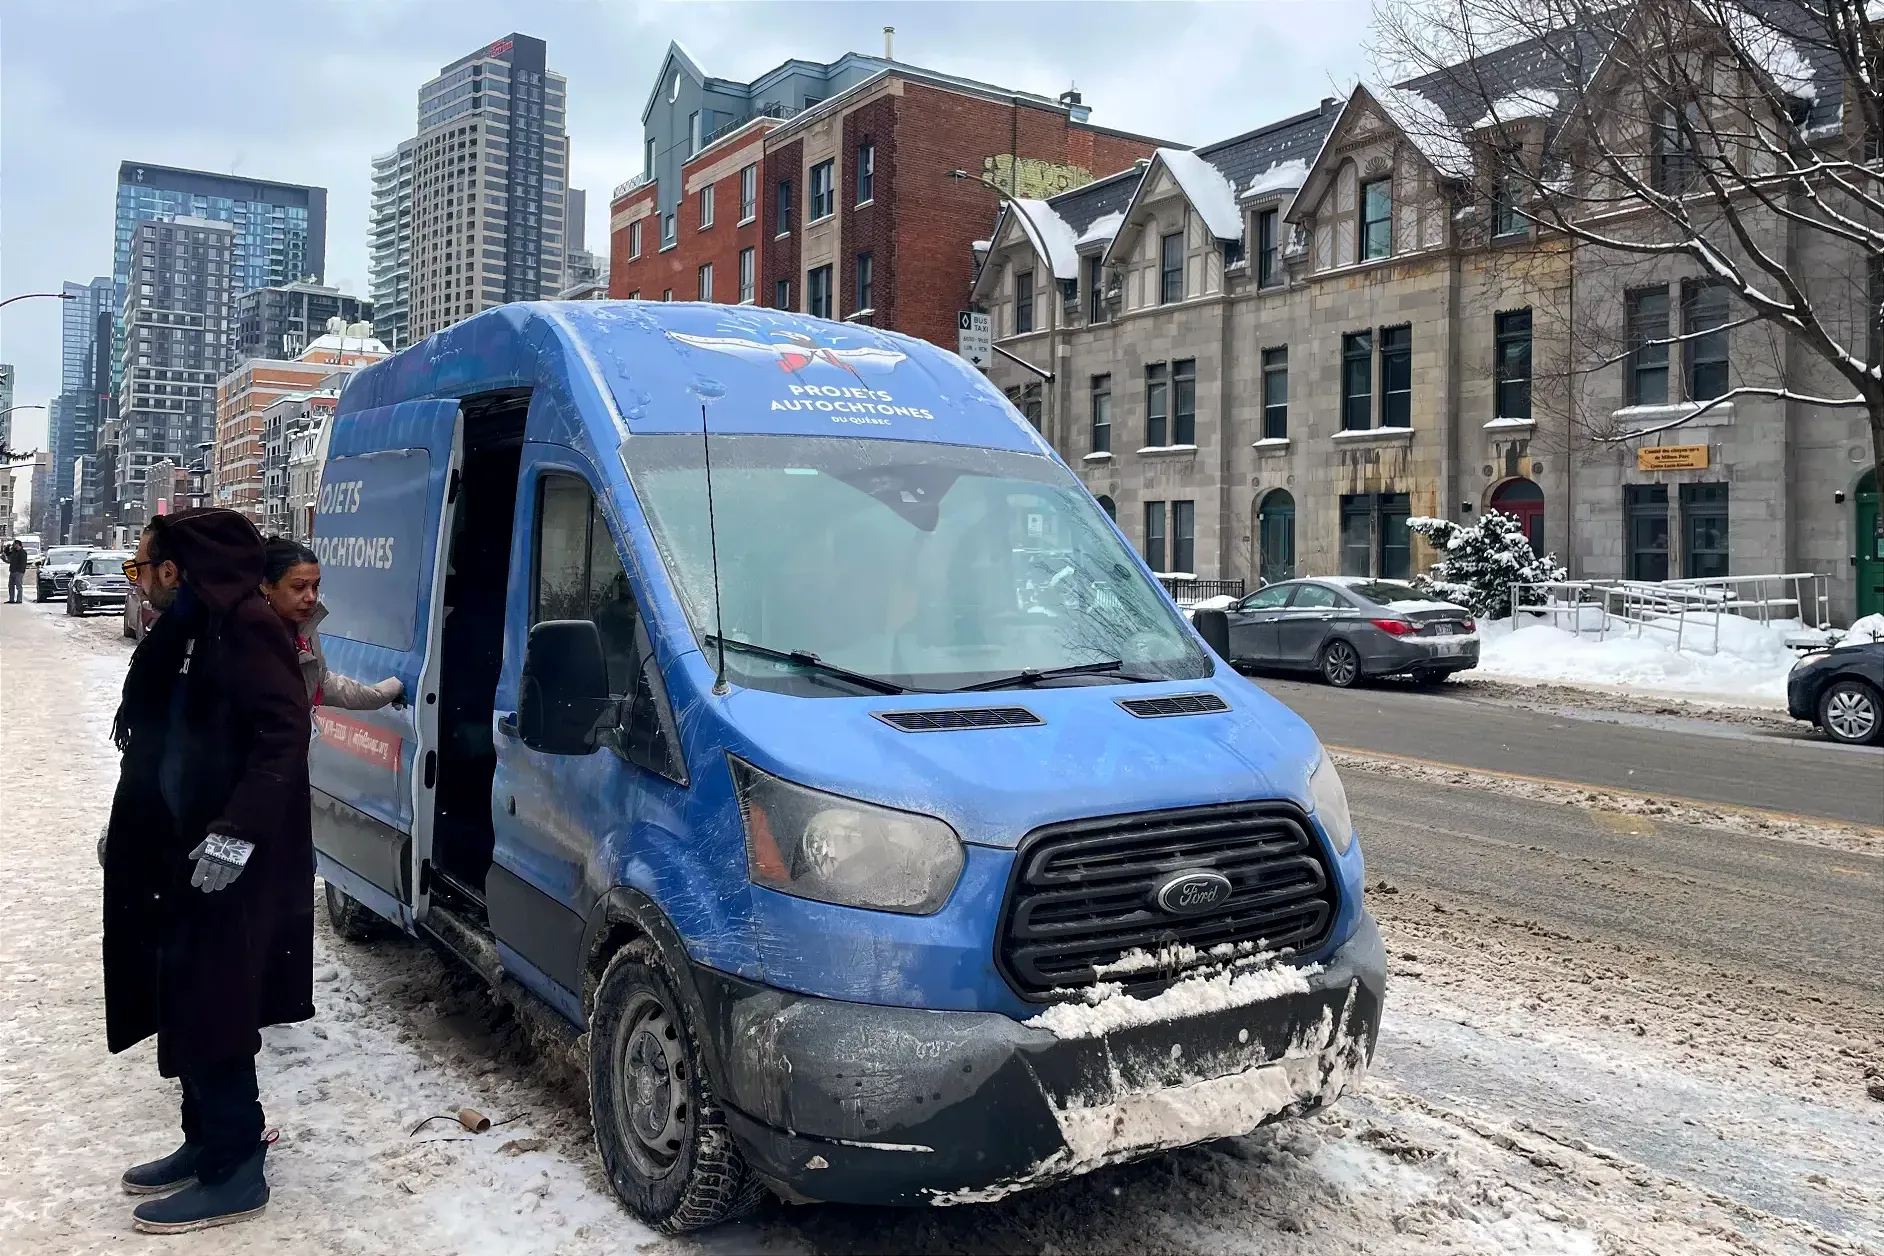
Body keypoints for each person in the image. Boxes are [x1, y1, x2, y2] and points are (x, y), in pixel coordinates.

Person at [102, 508, 313, 1233]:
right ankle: (203, 1140)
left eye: (140, 567)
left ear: (172, 571)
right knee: (184, 997)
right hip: (173, 848)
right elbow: (163, 741)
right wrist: (127, 825)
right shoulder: (188, 630)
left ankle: (236, 1166)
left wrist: (235, 835)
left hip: (227, 861)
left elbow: (284, 736)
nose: (138, 581)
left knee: (216, 1003)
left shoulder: (246, 626)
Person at [259, 536, 403, 710]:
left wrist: (378, 695)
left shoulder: (304, 625)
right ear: (266, 585)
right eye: (299, 587)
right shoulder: (249, 636)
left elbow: (322, 682)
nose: (311, 597)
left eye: (315, 586)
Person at [4, 538, 27, 603]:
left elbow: (23, 563)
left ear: (18, 545)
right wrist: (7, 547)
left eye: (14, 544)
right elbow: (7, 554)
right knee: (11, 586)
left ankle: (19, 600)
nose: (13, 545)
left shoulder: (22, 552)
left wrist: (21, 571)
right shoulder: (14, 551)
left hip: (19, 572)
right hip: (12, 571)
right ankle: (11, 599)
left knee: (18, 586)